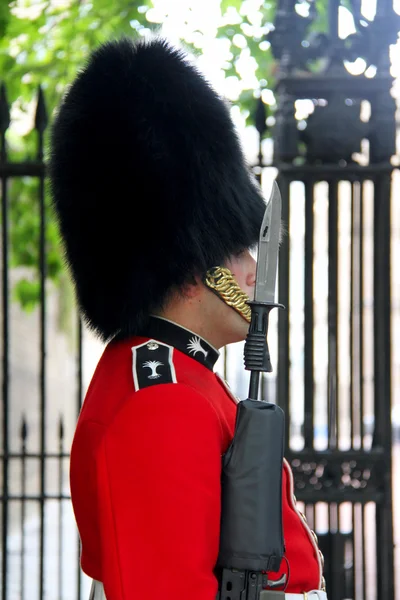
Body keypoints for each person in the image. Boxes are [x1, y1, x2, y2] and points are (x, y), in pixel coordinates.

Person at [49, 36, 325, 600]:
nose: (253, 272)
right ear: (191, 258)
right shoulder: (162, 398)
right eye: (236, 250)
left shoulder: (185, 378)